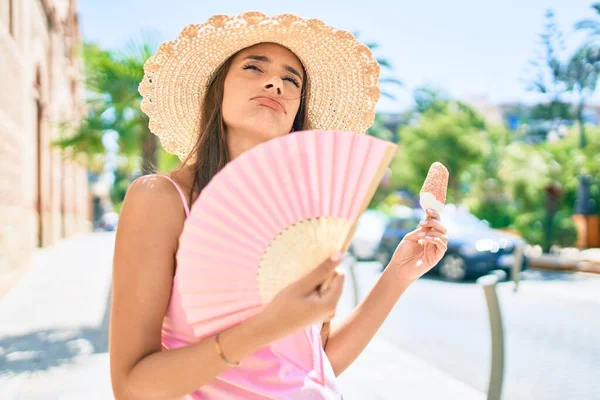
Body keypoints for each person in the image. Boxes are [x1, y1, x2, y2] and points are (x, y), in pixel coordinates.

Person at [109, 11, 449, 400]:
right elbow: (131, 387)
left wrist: (398, 276)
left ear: (296, 115)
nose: (275, 83)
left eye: (292, 80)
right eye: (254, 67)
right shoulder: (162, 199)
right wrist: (265, 327)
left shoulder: (301, 219)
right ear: (215, 89)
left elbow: (312, 366)